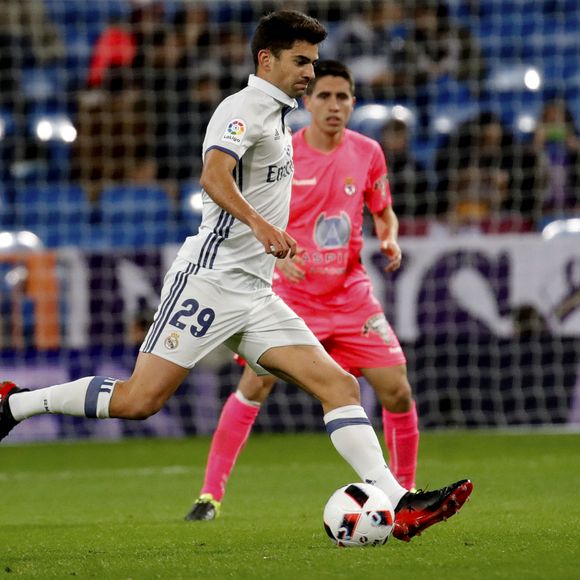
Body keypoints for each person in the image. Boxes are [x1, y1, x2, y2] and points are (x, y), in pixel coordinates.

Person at [0, 10, 472, 543]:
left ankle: (398, 503)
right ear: (265, 59)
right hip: (209, 281)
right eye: (300, 62)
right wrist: (261, 225)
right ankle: (14, 404)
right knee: (138, 401)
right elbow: (213, 174)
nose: (309, 74)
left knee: (338, 384)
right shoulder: (243, 108)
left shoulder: (280, 117)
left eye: (313, 63)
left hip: (255, 290)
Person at [185, 59, 422, 523]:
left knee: (396, 390)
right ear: (308, 102)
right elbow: (254, 210)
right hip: (293, 296)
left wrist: (389, 236)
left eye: (343, 97)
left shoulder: (369, 152)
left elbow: (383, 209)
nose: (334, 105)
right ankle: (209, 496)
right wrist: (279, 252)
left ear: (353, 103)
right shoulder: (284, 152)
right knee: (256, 383)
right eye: (324, 96)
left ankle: (405, 492)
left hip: (351, 293)